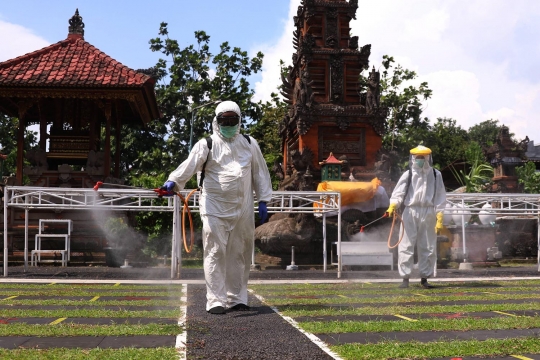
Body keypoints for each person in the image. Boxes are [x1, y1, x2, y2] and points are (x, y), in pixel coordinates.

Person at [162, 100, 272, 314]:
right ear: (217, 121)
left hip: (244, 208)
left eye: (233, 120)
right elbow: (189, 165)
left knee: (239, 253)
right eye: (225, 120)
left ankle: (237, 297)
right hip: (214, 208)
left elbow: (260, 173)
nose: (229, 124)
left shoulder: (250, 143)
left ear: (239, 121)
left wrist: (264, 200)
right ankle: (215, 301)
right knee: (215, 252)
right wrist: (173, 181)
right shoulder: (207, 144)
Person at [385, 145, 446, 289]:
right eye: (417, 157)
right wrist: (393, 205)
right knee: (406, 244)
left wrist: (440, 216)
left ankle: (424, 278)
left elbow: (440, 196)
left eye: (422, 157)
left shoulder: (436, 175)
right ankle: (405, 278)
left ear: (428, 158)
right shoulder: (408, 174)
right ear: (412, 158)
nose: (420, 160)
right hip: (410, 211)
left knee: (428, 245)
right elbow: (398, 193)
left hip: (429, 211)